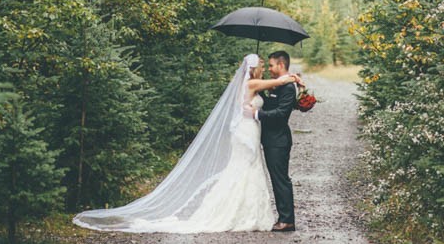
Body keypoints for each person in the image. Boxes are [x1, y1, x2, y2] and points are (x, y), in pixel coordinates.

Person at [73, 53, 302, 233]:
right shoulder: (252, 84)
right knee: (243, 167)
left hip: (250, 130)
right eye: (263, 65)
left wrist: (291, 84)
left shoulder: (255, 83)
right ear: (254, 68)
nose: (265, 68)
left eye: (269, 65)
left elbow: (275, 90)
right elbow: (278, 82)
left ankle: (263, 214)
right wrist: (291, 77)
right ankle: (242, 212)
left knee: (249, 168)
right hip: (246, 130)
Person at [248, 49, 299, 233]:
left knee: (280, 179)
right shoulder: (278, 85)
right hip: (270, 139)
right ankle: (284, 218)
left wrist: (256, 113)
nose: (269, 68)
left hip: (278, 140)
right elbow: (272, 104)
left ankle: (287, 220)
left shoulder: (288, 87)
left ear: (281, 65)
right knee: (276, 178)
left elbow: (281, 114)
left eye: (271, 65)